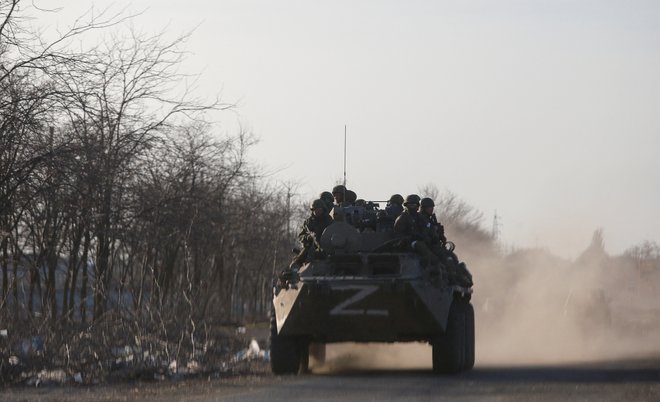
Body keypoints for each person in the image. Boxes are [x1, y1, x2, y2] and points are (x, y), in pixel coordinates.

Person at [290, 199, 333, 268]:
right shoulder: (308, 222)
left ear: (323, 209)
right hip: (311, 247)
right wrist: (308, 237)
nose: (317, 211)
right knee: (298, 261)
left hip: (327, 247)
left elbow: (334, 232)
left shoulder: (329, 220)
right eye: (315, 209)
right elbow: (300, 236)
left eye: (319, 209)